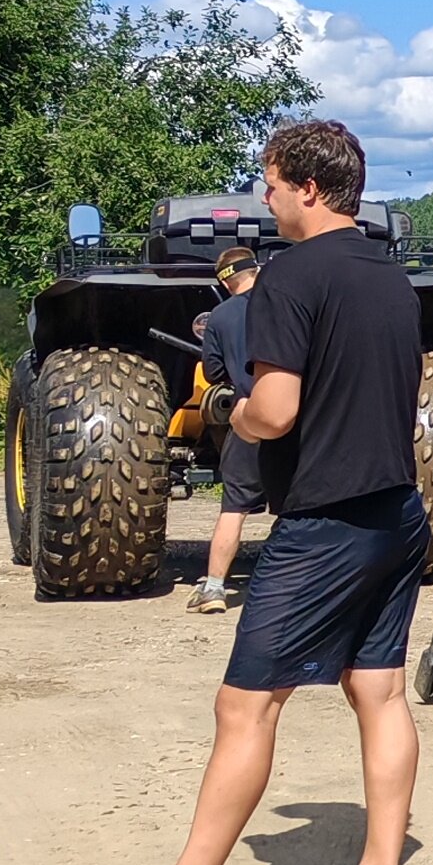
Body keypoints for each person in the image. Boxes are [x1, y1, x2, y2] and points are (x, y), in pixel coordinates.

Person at [69, 117, 429, 865]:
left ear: (307, 186)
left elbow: (276, 410)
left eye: (269, 184)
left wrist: (228, 411)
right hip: (396, 514)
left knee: (244, 707)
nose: (264, 201)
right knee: (378, 693)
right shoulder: (392, 277)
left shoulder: (291, 278)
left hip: (325, 524)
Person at [186, 249, 265, 614]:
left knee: (234, 507)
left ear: (225, 281)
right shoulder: (287, 304)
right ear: (256, 269)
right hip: (299, 420)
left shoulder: (219, 316)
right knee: (301, 508)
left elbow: (214, 372)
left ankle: (215, 589)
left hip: (250, 419)